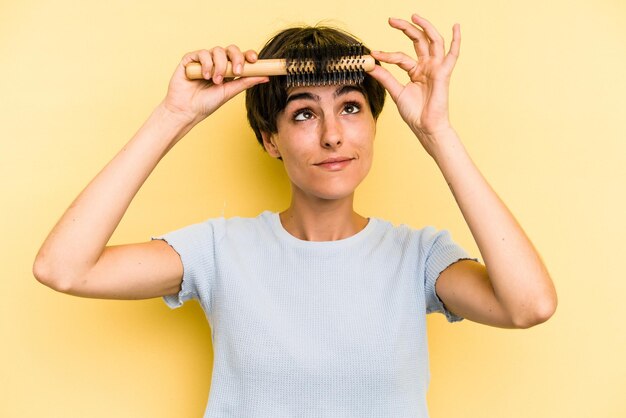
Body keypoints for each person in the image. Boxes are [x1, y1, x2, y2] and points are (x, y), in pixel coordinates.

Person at [33, 13, 557, 418]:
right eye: (303, 113)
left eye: (351, 107)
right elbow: (64, 268)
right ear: (270, 141)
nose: (332, 134)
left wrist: (437, 133)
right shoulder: (219, 250)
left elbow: (529, 304)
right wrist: (173, 116)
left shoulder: (418, 257)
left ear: (375, 123)